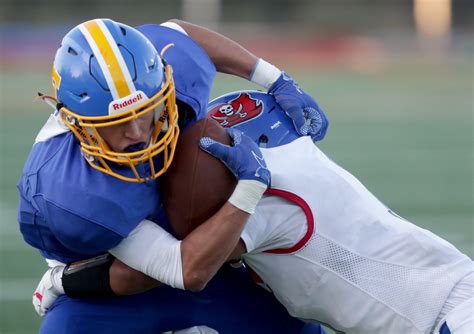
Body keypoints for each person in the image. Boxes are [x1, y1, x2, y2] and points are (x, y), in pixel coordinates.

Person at [36, 90, 474, 334]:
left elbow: (161, 270)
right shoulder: (283, 151)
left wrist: (62, 277)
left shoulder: (261, 207)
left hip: (449, 319)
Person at [18, 18, 328, 333]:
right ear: (76, 122)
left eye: (146, 111)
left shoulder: (165, 74)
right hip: (112, 270)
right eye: (117, 123)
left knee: (297, 329)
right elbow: (181, 269)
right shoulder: (70, 192)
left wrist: (274, 78)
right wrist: (249, 187)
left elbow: (181, 34)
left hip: (197, 252)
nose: (138, 133)